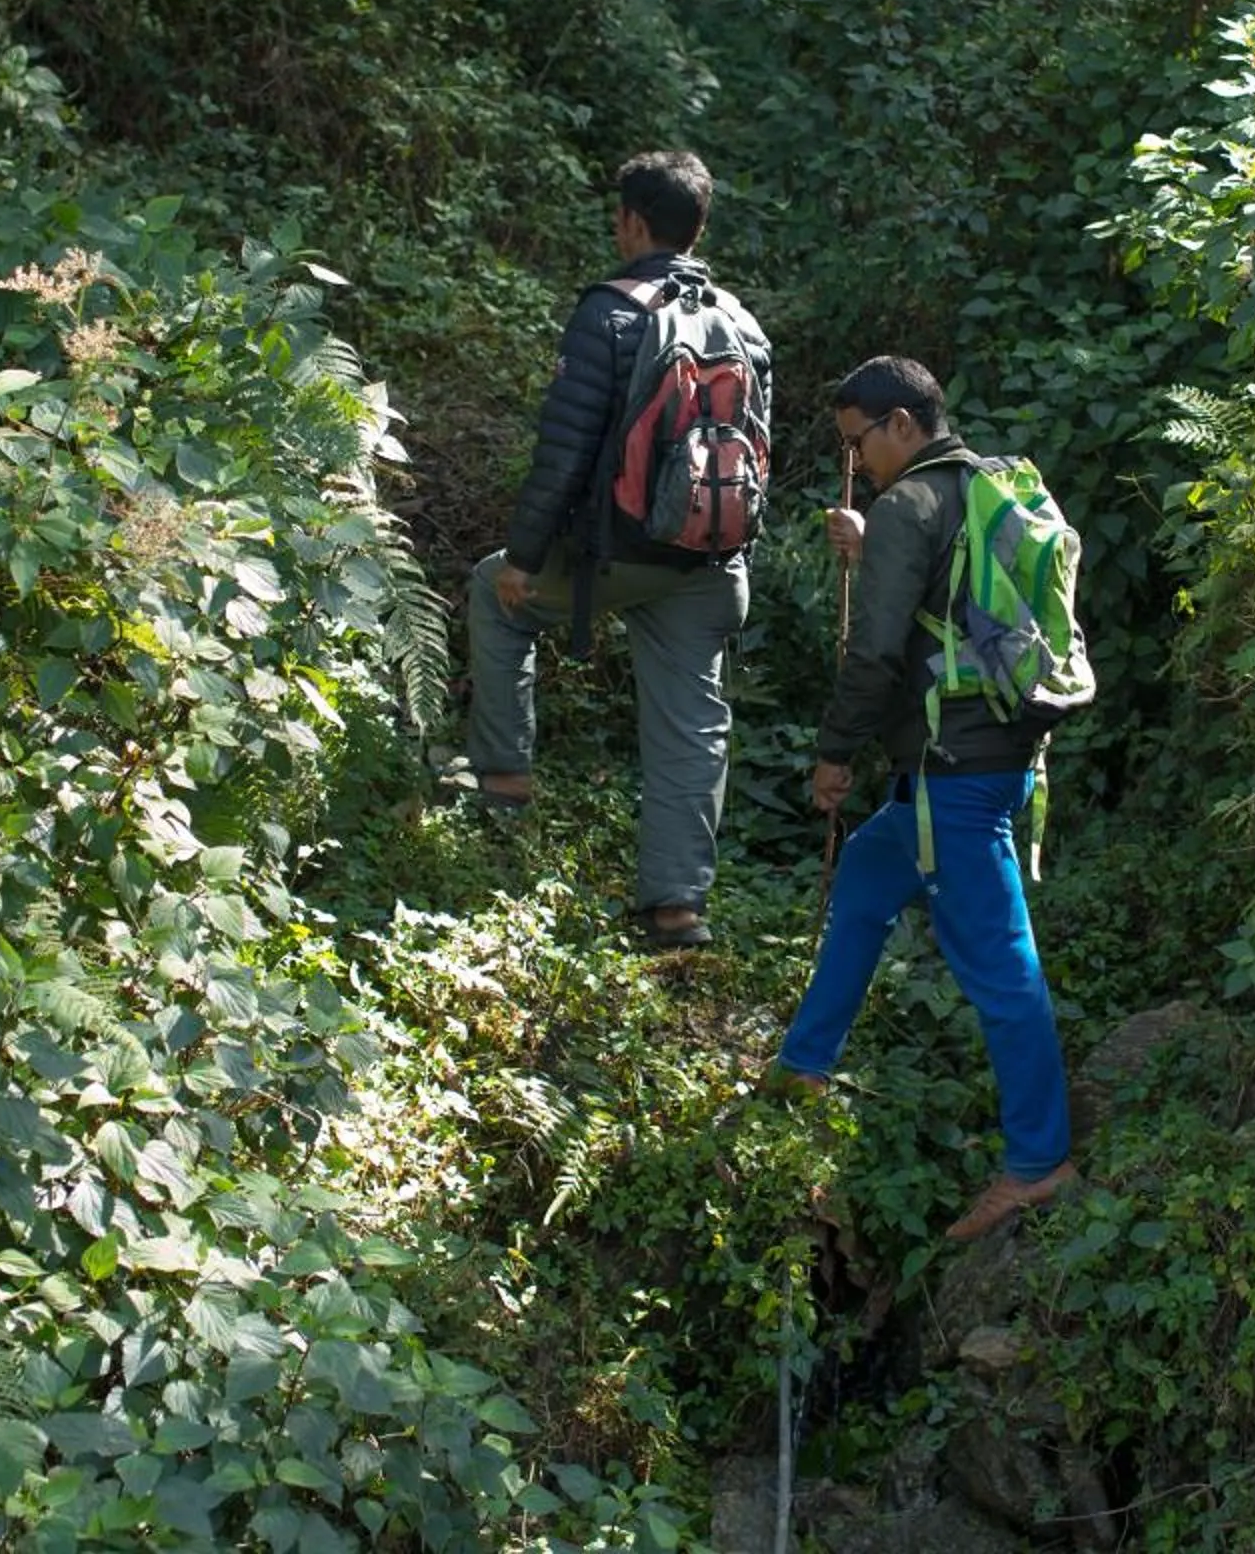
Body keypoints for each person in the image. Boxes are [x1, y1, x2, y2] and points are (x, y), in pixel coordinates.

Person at [768, 356, 1076, 1242]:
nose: (855, 461)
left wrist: (834, 755)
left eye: (859, 441)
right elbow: (950, 602)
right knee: (867, 875)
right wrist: (874, 547)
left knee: (1000, 965)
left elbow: (873, 653)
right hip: (992, 755)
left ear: (902, 424)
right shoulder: (980, 487)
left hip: (955, 774)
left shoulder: (910, 505)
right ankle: (804, 1065)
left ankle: (1039, 1164)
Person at [461, 150, 771, 951]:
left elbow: (564, 453)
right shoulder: (743, 323)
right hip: (710, 564)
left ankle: (503, 781)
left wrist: (526, 557)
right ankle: (676, 911)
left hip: (619, 556)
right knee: (693, 727)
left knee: (492, 590)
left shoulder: (611, 312)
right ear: (699, 226)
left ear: (633, 221)